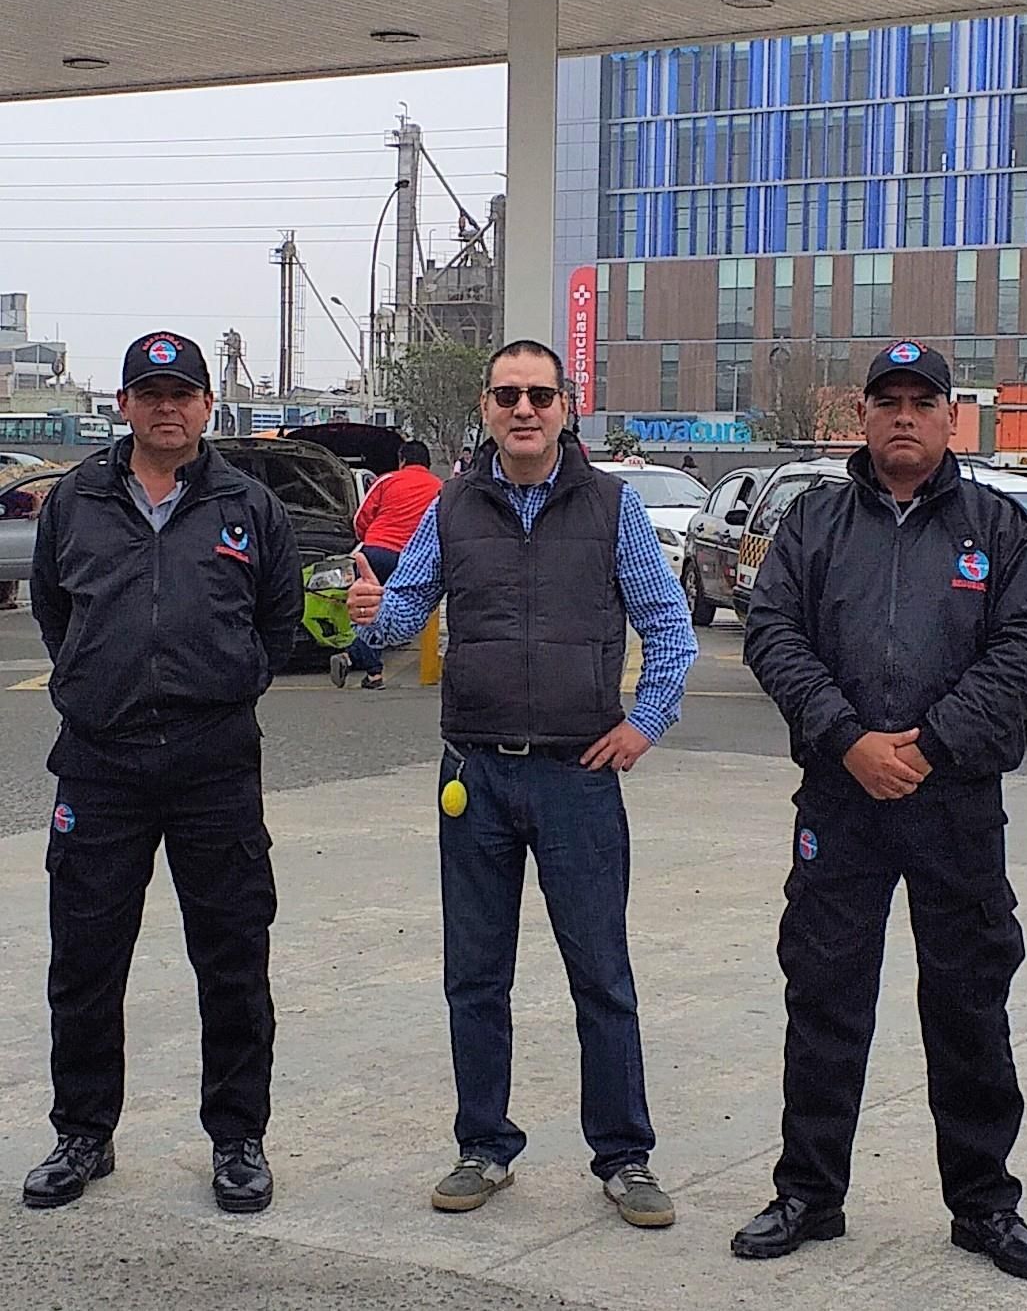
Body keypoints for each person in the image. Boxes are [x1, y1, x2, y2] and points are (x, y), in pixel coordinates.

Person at [346, 339, 697, 1228]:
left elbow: (669, 626)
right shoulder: (452, 506)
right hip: (475, 778)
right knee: (474, 975)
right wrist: (367, 616)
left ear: (566, 408)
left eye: (540, 394)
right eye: (508, 395)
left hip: (578, 779)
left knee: (600, 975)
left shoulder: (612, 507)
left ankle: (624, 1158)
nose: (524, 408)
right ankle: (483, 1147)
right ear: (486, 406)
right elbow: (403, 618)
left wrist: (642, 724)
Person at [732, 340, 1027, 1283]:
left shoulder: (999, 529)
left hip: (953, 802)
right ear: (863, 417)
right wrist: (848, 740)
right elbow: (772, 633)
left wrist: (928, 744)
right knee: (824, 994)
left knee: (967, 1000)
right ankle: (808, 1192)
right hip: (840, 799)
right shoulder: (813, 523)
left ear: (950, 417)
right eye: (889, 401)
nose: (905, 416)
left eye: (923, 400)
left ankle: (984, 1205)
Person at [25, 331, 302, 1216]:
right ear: (123, 406)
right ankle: (82, 1133)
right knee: (85, 958)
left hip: (212, 765)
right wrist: (96, 681)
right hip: (100, 763)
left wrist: (220, 685)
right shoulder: (76, 500)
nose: (167, 407)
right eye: (150, 392)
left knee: (231, 955)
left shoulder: (248, 506)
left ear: (208, 408)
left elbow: (279, 624)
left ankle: (237, 1140)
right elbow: (54, 611)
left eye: (183, 392)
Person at [330, 439, 442, 691]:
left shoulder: (387, 480)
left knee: (367, 612)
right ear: (428, 462)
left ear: (402, 460)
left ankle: (370, 669)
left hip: (376, 553)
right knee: (396, 611)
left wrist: (365, 539)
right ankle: (359, 663)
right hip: (412, 561)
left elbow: (360, 518)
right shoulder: (440, 487)